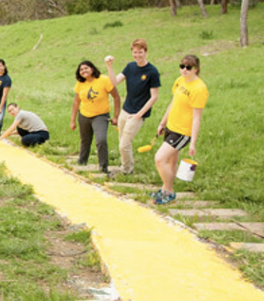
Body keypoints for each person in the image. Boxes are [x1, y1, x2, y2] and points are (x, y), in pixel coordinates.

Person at [153, 54, 208, 205]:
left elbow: (197, 117)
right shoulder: (180, 81)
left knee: (159, 158)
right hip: (171, 126)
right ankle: (165, 189)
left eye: (188, 67)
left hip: (182, 132)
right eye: (182, 66)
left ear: (196, 69)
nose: (184, 70)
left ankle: (169, 191)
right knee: (171, 161)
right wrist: (162, 123)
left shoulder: (199, 89)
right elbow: (173, 103)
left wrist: (193, 143)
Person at [105, 39, 161, 175]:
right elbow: (114, 82)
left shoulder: (152, 71)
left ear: (146, 52)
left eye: (140, 52)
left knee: (124, 144)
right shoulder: (130, 67)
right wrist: (109, 67)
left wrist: (139, 115)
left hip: (138, 114)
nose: (137, 55)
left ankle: (126, 170)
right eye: (135, 52)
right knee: (122, 143)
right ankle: (126, 167)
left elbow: (154, 97)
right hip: (126, 109)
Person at [70, 59, 121, 174]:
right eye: (81, 69)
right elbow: (75, 102)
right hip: (84, 115)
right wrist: (72, 120)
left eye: (86, 68)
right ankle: (82, 162)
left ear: (92, 69)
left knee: (101, 139)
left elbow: (116, 97)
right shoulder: (80, 83)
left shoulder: (104, 80)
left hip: (101, 116)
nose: (84, 71)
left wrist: (116, 116)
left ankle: (103, 166)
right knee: (85, 140)